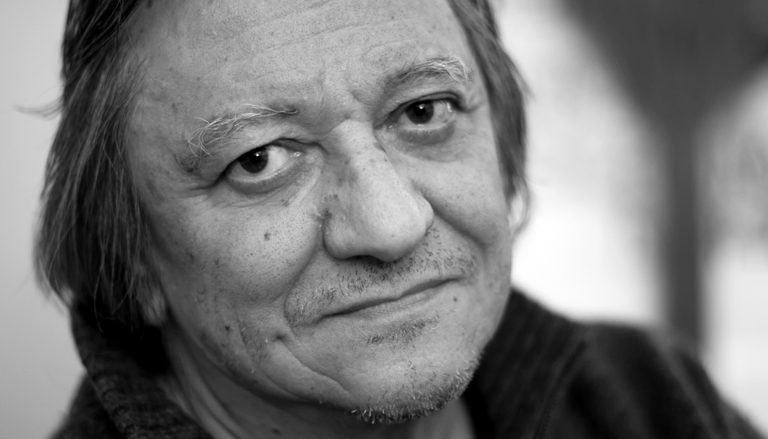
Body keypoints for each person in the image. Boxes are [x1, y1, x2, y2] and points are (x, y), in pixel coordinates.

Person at [37, 0, 764, 438]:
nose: (390, 226)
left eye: (423, 112)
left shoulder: (650, 400)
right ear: (129, 252)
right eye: (259, 159)